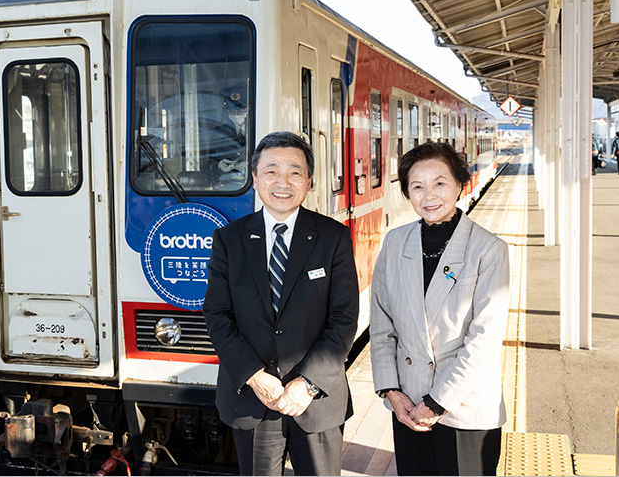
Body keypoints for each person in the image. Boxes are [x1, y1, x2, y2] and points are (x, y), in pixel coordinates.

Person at [203, 131, 359, 476]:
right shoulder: (229, 240)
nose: (283, 182)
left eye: (295, 171)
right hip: (254, 398)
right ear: (255, 179)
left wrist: (307, 382)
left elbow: (344, 319)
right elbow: (217, 315)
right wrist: (254, 376)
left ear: (310, 181)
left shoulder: (333, 238)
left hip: (315, 399)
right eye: (271, 171)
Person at [369, 141, 510, 476]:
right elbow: (381, 323)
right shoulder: (395, 242)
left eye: (440, 183)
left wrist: (436, 402)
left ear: (460, 185)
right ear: (406, 192)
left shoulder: (489, 249)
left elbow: (484, 339)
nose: (428, 195)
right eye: (417, 186)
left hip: (464, 408)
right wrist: (391, 391)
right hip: (408, 406)